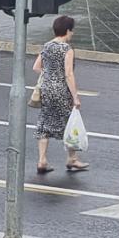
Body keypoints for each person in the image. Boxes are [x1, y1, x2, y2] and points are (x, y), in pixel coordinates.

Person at [32, 15, 85, 174]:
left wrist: (50, 75)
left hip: (47, 89)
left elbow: (36, 67)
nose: (72, 34)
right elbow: (69, 74)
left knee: (44, 123)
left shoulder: (47, 46)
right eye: (72, 30)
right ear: (67, 30)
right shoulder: (67, 49)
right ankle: (72, 159)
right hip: (61, 90)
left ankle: (42, 160)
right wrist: (75, 96)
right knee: (69, 123)